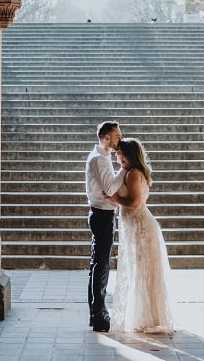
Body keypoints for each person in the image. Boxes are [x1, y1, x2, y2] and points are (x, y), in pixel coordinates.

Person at [103, 137, 175, 334]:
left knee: (143, 272)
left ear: (130, 154)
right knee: (141, 271)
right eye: (118, 154)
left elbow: (134, 204)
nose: (118, 157)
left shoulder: (134, 173)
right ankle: (145, 316)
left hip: (142, 227)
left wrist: (114, 198)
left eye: (121, 153)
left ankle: (146, 318)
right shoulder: (129, 171)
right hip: (137, 226)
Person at [86, 120, 124, 332]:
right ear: (106, 137)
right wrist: (124, 170)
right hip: (102, 215)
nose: (120, 139)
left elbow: (109, 189)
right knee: (101, 266)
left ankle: (96, 313)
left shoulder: (102, 157)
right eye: (117, 135)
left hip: (101, 214)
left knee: (97, 266)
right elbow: (109, 187)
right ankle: (99, 315)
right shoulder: (99, 159)